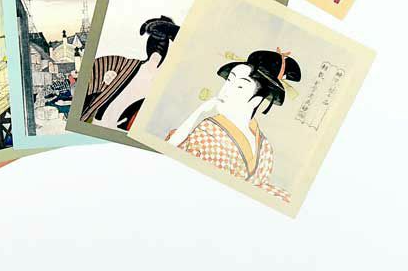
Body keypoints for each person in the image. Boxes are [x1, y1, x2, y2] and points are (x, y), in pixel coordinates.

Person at [166, 49, 300, 202]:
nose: (225, 91)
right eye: (229, 81)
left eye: (240, 86)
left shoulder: (265, 147)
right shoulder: (208, 131)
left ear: (256, 100)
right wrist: (199, 111)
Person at [82, 16, 180, 131]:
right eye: (156, 37)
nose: (160, 41)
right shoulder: (121, 64)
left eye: (163, 38)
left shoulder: (170, 84)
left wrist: (173, 31)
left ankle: (157, 55)